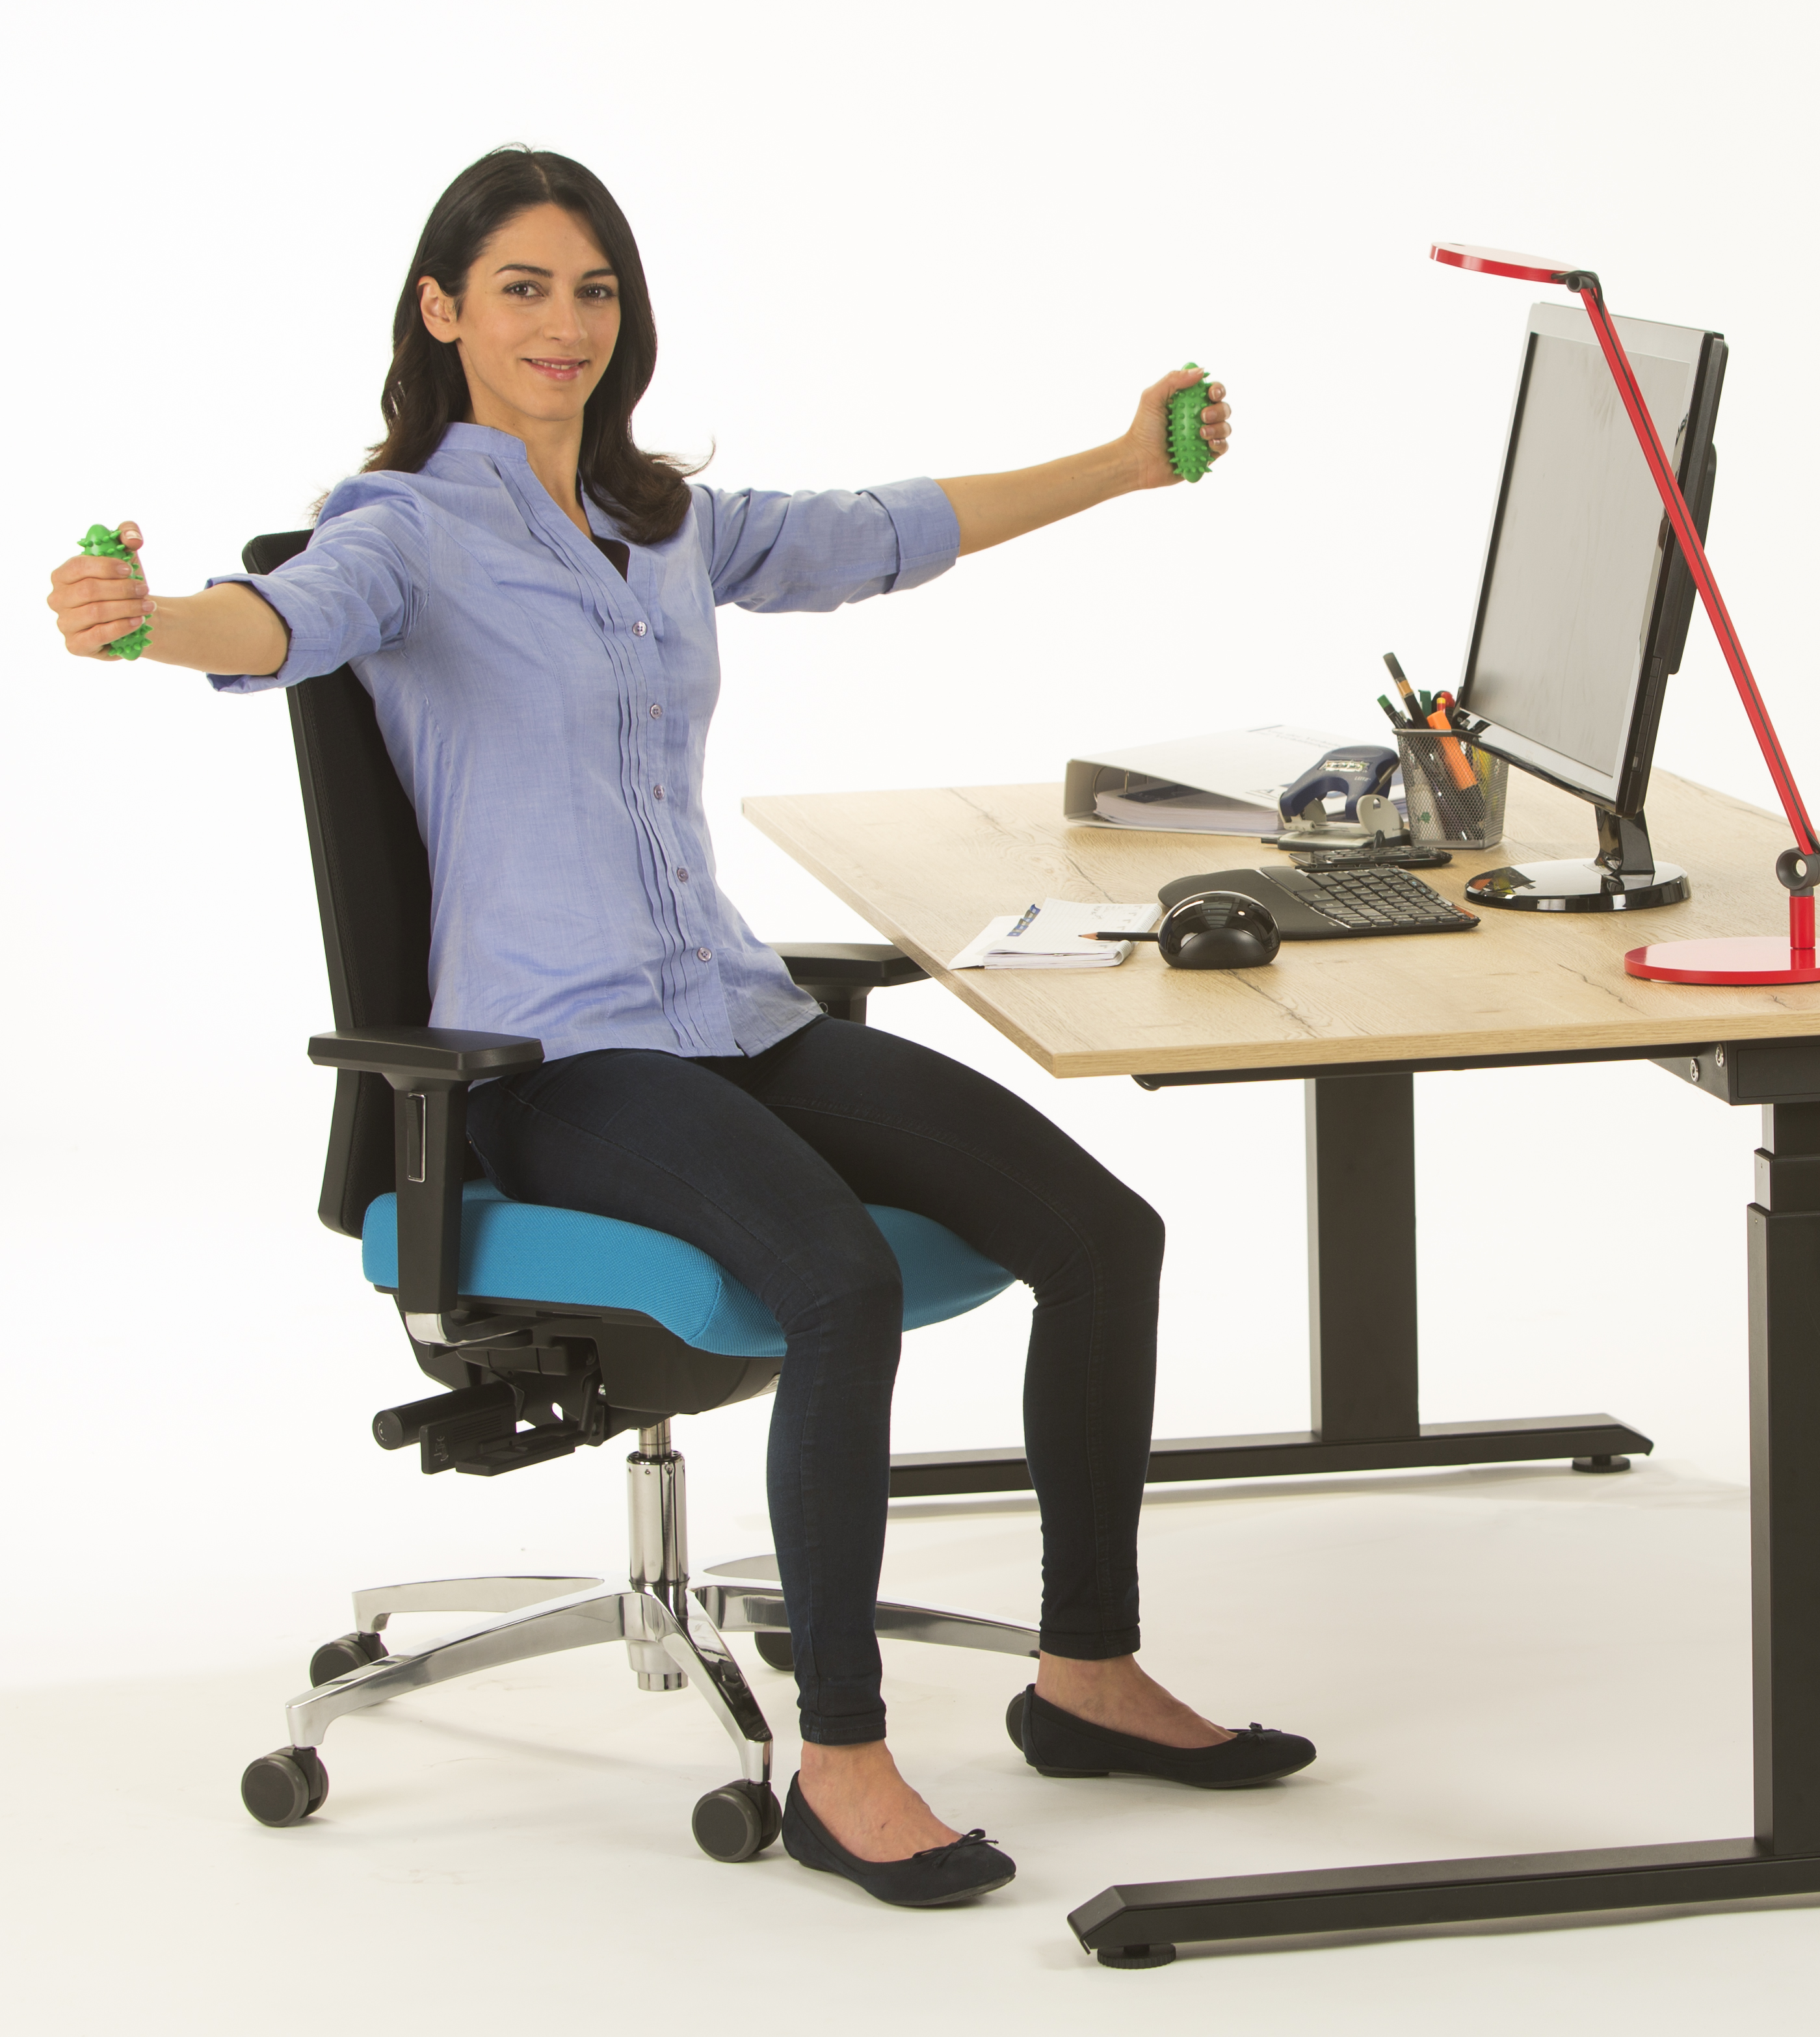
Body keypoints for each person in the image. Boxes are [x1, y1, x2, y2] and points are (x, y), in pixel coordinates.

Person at [44, 145, 1313, 1909]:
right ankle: (841, 1764)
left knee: (1105, 1234)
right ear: (442, 311)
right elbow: (272, 621)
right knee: (835, 1280)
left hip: (730, 1012)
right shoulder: (397, 526)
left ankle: (1086, 1674)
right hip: (551, 1065)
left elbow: (879, 531)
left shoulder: (662, 524)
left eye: (594, 290)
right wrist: (145, 625)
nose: (564, 324)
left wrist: (1118, 461)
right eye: (522, 289)